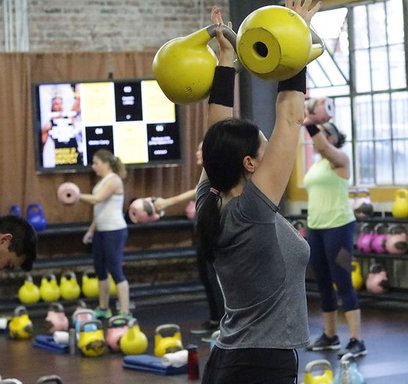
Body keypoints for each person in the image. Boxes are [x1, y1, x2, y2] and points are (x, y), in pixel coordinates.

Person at [196, 2, 320, 382]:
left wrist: (226, 60)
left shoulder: (210, 202)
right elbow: (291, 117)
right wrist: (294, 31)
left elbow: (216, 133)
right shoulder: (251, 209)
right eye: (264, 147)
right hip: (260, 365)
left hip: (229, 358)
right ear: (250, 163)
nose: (272, 149)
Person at [302, 105, 366, 358]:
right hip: (316, 229)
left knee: (343, 281)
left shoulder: (340, 159)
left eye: (320, 133)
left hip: (339, 229)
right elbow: (320, 147)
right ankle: (330, 336)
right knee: (322, 282)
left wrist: (308, 121)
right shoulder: (316, 166)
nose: (315, 137)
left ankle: (356, 340)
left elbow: (324, 148)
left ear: (331, 138)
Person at [154, 140, 225, 338]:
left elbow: (197, 191)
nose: (196, 152)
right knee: (205, 276)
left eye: (200, 149)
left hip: (214, 232)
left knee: (214, 278)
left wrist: (168, 201)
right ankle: (214, 320)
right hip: (202, 231)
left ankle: (223, 324)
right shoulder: (205, 173)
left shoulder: (217, 172)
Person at [78, 149, 131, 319]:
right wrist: (90, 230)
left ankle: (125, 311)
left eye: (96, 163)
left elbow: (96, 200)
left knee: (115, 270)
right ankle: (103, 308)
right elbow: (100, 209)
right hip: (101, 231)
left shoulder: (114, 180)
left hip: (114, 231)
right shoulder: (103, 181)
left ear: (106, 163)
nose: (94, 167)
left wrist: (76, 195)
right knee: (100, 270)